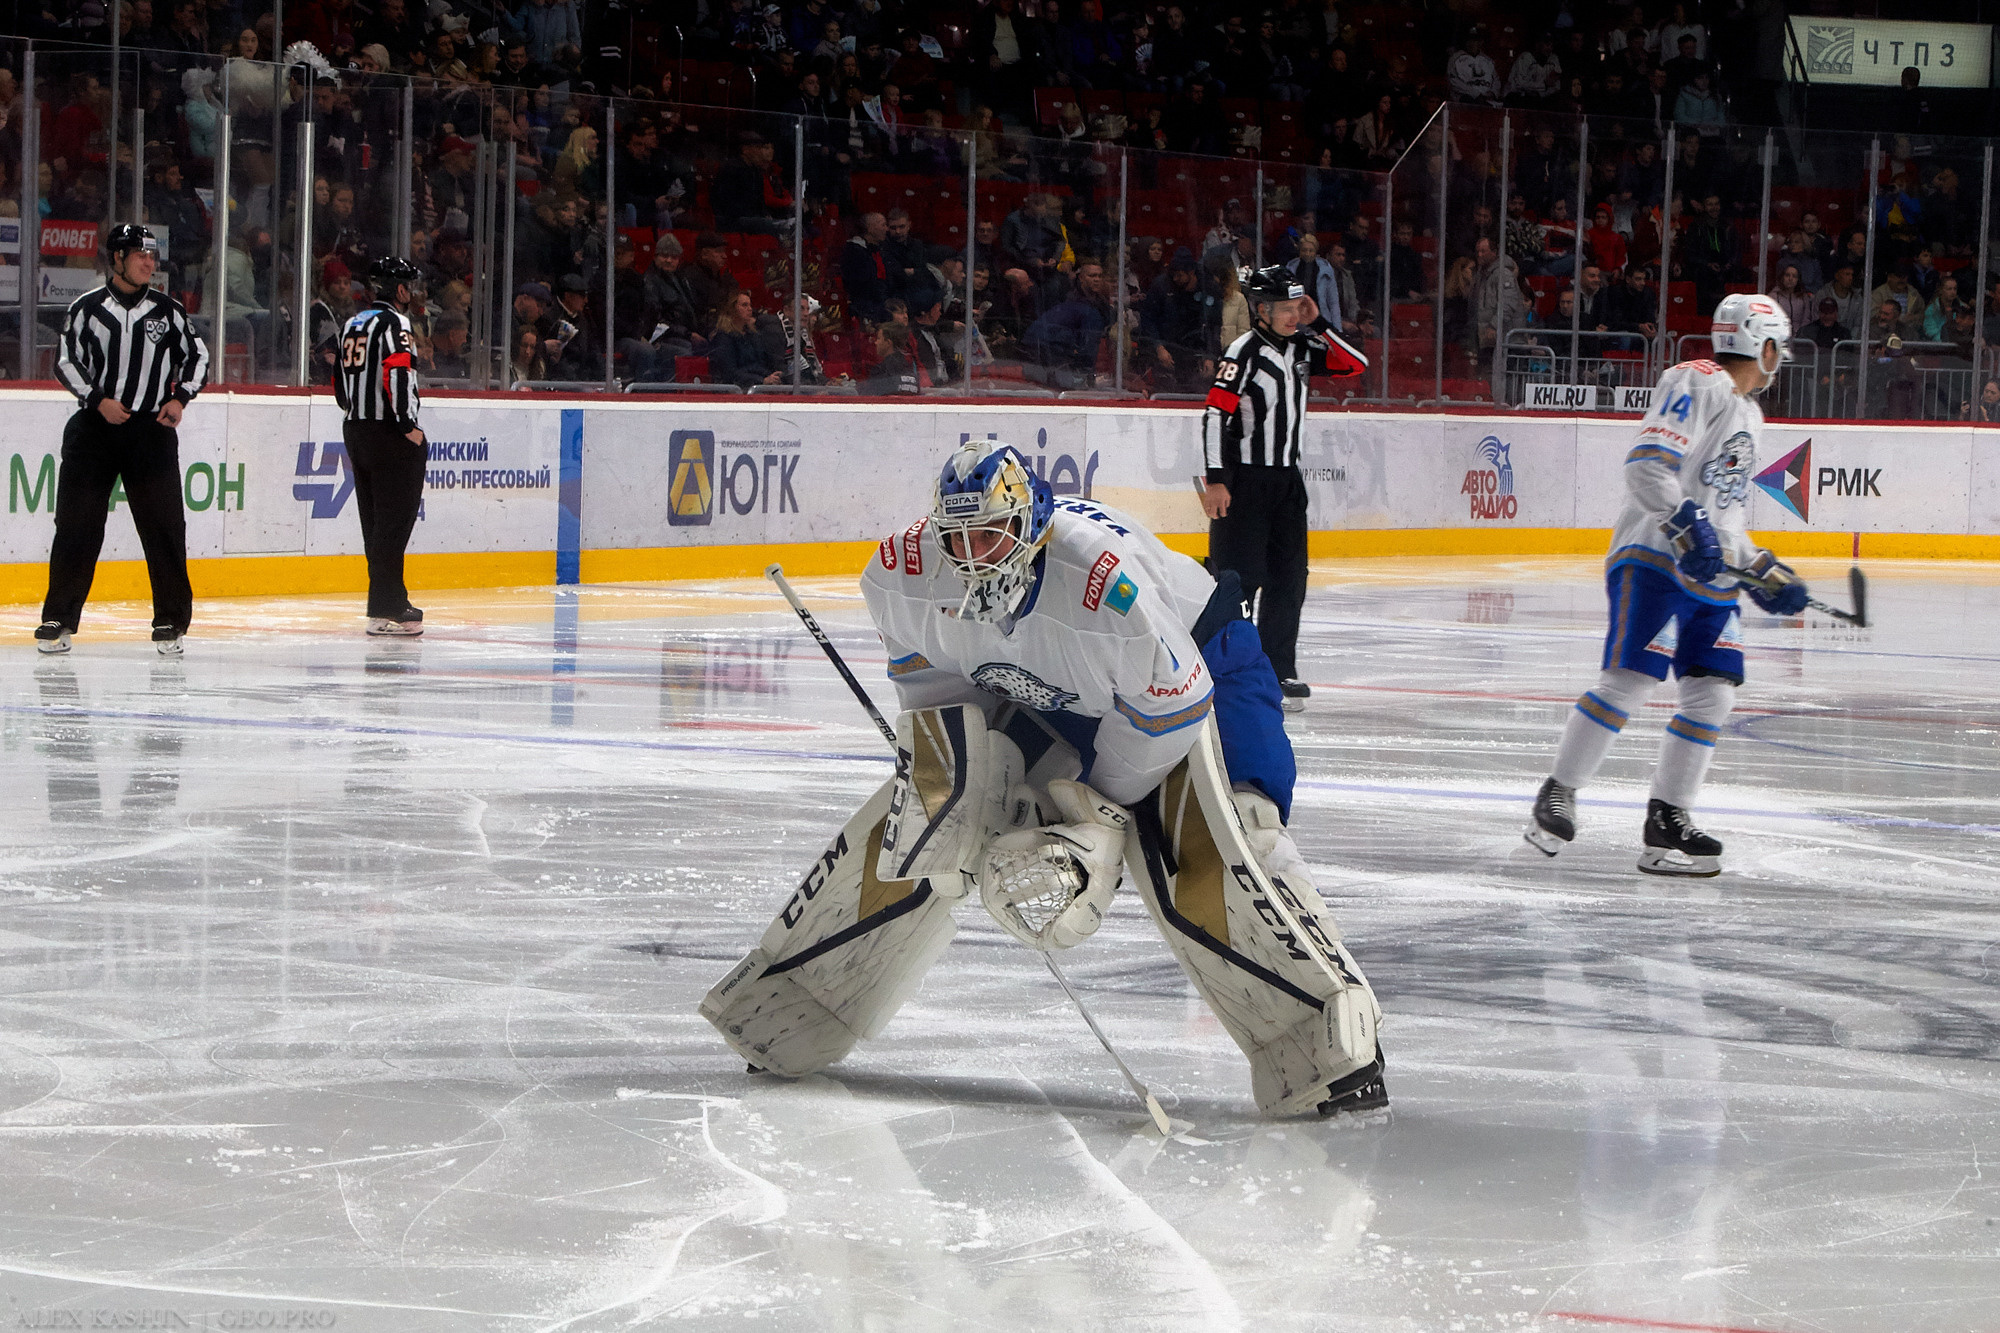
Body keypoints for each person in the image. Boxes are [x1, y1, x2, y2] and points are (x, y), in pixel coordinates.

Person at [702, 441, 1387, 1119]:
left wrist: (1087, 814)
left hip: (1199, 668)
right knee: (936, 815)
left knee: (1220, 830)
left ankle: (1329, 1036)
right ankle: (794, 1001)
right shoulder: (902, 572)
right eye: (959, 539)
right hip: (1053, 692)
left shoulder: (1104, 588)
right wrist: (957, 795)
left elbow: (1167, 715)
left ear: (1032, 527)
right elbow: (942, 697)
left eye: (993, 535)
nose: (974, 557)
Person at [1526, 295, 1808, 877]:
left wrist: (1761, 569)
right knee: (1631, 678)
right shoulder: (1696, 378)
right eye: (1780, 345)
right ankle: (1558, 791)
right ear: (1765, 344)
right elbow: (1646, 467)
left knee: (1714, 693)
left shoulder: (1750, 414)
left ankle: (1668, 820)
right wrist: (1685, 525)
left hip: (1709, 574)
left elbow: (1722, 517)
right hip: (1653, 556)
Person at [38, 225, 210, 657]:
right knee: (76, 526)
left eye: (152, 256)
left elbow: (199, 356)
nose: (149, 263)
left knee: (165, 528)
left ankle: (171, 620)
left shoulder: (168, 311)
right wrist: (97, 400)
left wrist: (180, 399)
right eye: (139, 255)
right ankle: (58, 617)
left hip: (149, 433)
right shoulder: (87, 308)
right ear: (116, 259)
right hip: (94, 431)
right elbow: (65, 360)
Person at [1201, 266, 1367, 710]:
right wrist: (1216, 479)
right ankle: (1226, 668)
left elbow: (1356, 364)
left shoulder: (1301, 347)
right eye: (1286, 308)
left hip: (1287, 484)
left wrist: (1319, 322)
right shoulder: (1244, 351)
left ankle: (1278, 670)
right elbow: (1215, 414)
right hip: (1246, 482)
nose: (1294, 315)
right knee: (1238, 579)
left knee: (1289, 580)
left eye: (1297, 306)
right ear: (1261, 309)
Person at [332, 256, 429, 637]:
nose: (413, 293)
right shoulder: (395, 323)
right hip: (389, 431)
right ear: (400, 289)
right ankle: (390, 605)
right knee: (394, 521)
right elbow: (399, 370)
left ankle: (381, 605)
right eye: (410, 285)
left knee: (374, 521)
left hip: (355, 428)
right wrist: (407, 425)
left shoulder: (351, 323)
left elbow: (339, 383)